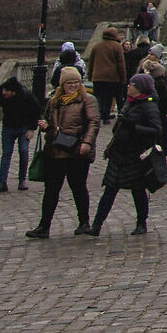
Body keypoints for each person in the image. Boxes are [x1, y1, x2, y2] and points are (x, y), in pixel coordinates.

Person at [90, 71, 167, 236]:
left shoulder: (149, 105)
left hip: (136, 153)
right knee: (110, 189)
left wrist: (134, 128)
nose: (128, 86)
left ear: (140, 88)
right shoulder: (128, 102)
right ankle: (96, 225)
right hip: (119, 152)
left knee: (138, 190)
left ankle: (141, 223)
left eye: (132, 85)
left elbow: (156, 130)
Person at [27, 66, 99, 238]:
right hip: (55, 150)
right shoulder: (54, 101)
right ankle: (44, 226)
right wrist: (46, 126)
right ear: (62, 84)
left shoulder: (87, 100)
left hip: (76, 150)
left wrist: (87, 143)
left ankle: (84, 222)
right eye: (69, 83)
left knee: (78, 187)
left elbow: (93, 123)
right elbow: (47, 120)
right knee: (51, 190)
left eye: (76, 82)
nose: (73, 86)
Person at [0, 72, 42, 193]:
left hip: (24, 127)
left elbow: (36, 111)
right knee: (6, 154)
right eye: (3, 90)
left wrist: (32, 129)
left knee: (23, 151)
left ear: (14, 91)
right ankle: (2, 182)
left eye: (7, 91)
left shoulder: (26, 96)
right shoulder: (2, 94)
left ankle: (22, 180)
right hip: (8, 126)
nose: (4, 93)